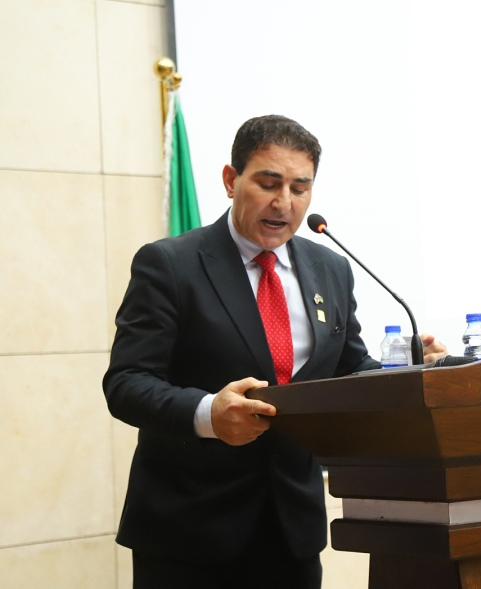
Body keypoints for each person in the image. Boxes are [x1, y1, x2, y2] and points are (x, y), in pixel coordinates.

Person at [103, 115, 447, 589]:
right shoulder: (170, 265)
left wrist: (407, 370)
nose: (284, 203)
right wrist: (208, 414)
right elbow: (127, 382)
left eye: (300, 188)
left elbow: (348, 369)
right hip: (189, 531)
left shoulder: (330, 267)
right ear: (231, 180)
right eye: (268, 184)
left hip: (292, 529)